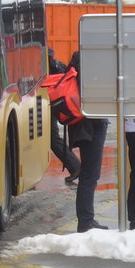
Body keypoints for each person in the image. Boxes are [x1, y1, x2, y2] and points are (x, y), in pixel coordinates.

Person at [65, 51, 109, 233]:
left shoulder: (77, 62)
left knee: (88, 174)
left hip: (83, 125)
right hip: (91, 125)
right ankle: (86, 221)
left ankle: (86, 219)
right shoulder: (91, 65)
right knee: (90, 175)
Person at [46, 49, 81, 186]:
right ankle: (75, 166)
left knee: (53, 139)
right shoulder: (56, 64)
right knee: (53, 139)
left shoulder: (45, 67)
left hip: (47, 104)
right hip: (55, 103)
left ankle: (76, 166)